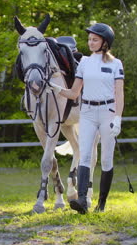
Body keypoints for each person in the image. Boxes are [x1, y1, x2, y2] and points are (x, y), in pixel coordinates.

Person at [49, 23, 124, 214]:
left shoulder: (116, 64)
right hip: (88, 112)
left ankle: (101, 203)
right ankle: (82, 200)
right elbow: (74, 93)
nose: (90, 43)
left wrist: (118, 117)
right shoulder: (84, 63)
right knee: (85, 155)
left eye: (95, 39)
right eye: (89, 39)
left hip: (107, 111)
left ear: (105, 42)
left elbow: (119, 94)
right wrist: (57, 89)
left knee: (107, 159)